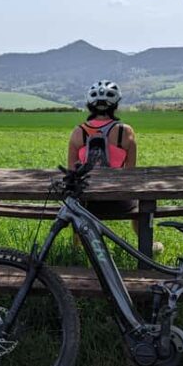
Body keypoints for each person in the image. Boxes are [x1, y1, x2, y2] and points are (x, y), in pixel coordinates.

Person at [67, 80, 163, 253]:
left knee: (75, 201)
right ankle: (148, 244)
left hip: (87, 204)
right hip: (120, 202)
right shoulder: (126, 132)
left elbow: (71, 172)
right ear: (115, 105)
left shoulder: (77, 132)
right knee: (140, 203)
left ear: (90, 105)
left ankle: (78, 247)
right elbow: (130, 173)